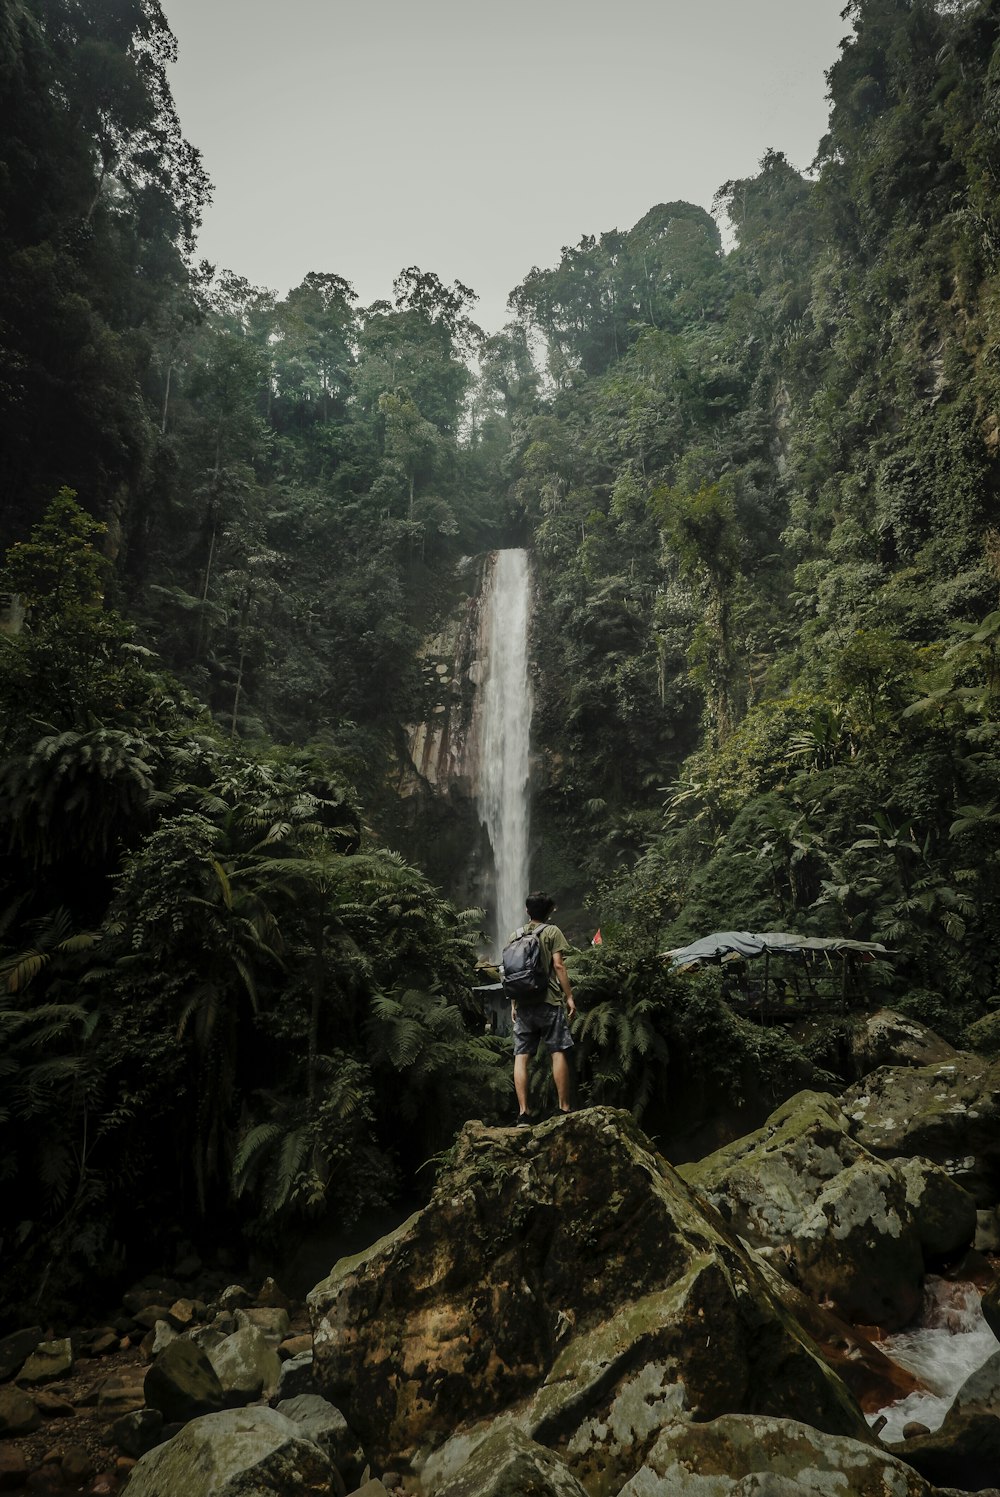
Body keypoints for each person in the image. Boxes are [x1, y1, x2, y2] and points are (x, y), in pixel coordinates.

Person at [507, 890, 576, 1124]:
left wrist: (514, 1004)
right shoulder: (552, 931)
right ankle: (563, 1108)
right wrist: (569, 997)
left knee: (521, 1056)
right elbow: (558, 966)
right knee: (557, 1051)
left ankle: (523, 1113)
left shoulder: (515, 935)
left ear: (527, 911)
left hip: (524, 1004)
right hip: (549, 1001)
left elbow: (511, 972)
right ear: (548, 912)